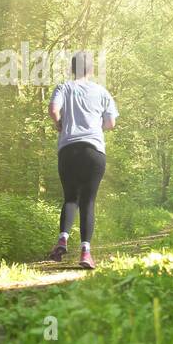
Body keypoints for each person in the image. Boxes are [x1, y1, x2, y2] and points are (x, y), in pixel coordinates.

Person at [47, 51, 118, 269]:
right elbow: (111, 123)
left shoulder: (64, 88)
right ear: (91, 70)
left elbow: (53, 110)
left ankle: (63, 237)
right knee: (88, 201)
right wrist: (96, 126)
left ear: (72, 69)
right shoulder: (102, 91)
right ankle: (86, 252)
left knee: (70, 198)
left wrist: (59, 123)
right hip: (93, 151)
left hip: (68, 150)